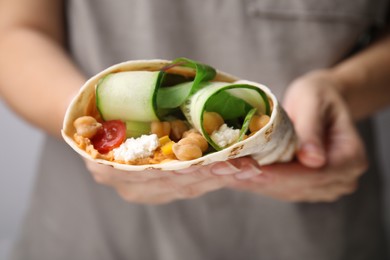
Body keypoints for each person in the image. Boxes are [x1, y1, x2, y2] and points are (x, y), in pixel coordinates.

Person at [1, 0, 389, 259]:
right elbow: (13, 33)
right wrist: (86, 129)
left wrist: (343, 90)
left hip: (312, 235)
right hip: (89, 234)